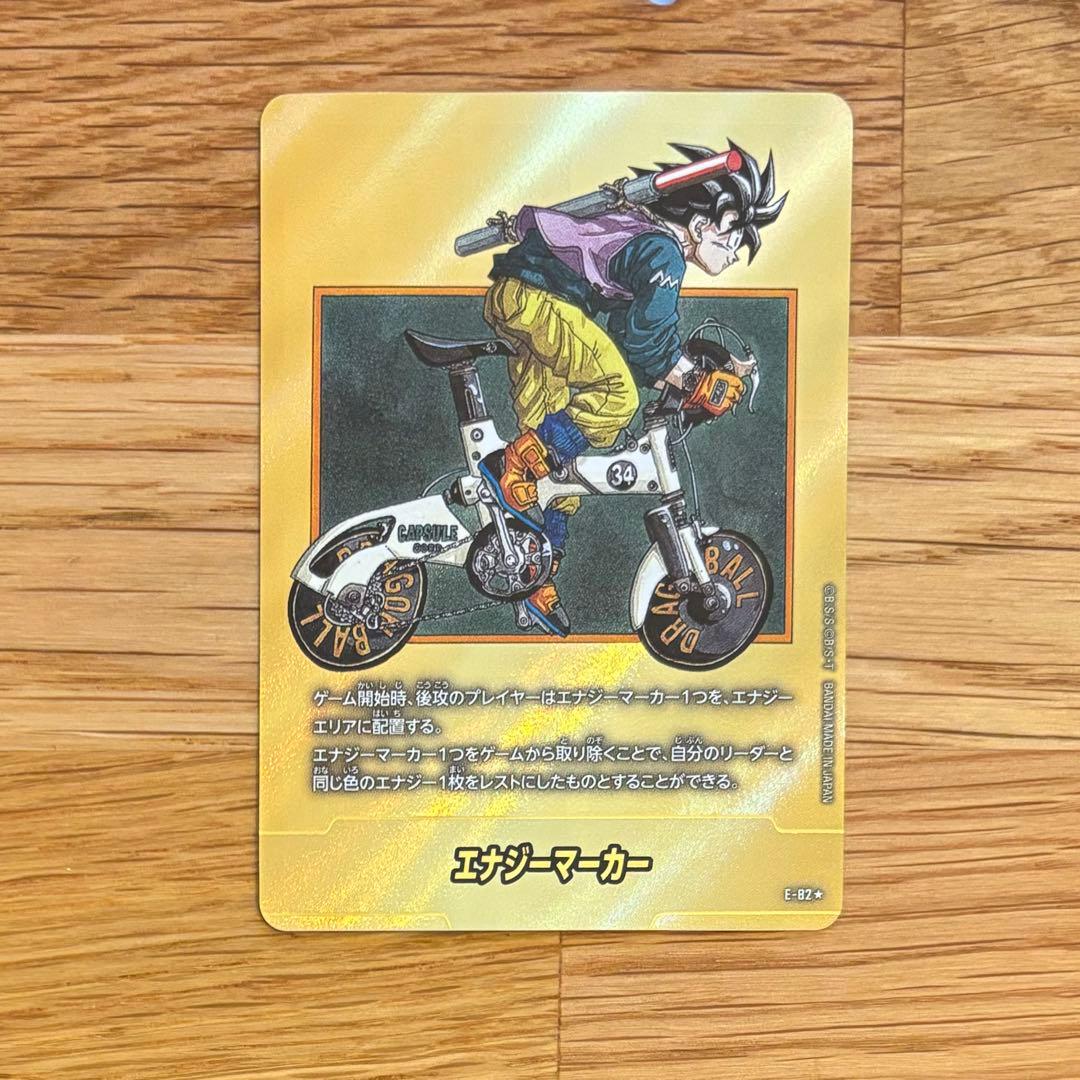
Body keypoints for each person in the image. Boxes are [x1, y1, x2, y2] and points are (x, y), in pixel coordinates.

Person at [480, 142, 787, 636]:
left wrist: (689, 371)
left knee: (560, 475)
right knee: (615, 397)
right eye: (732, 237)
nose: (734, 253)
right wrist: (696, 381)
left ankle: (533, 579)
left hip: (526, 303)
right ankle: (507, 465)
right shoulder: (664, 252)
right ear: (702, 224)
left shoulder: (642, 235)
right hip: (540, 302)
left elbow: (631, 338)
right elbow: (647, 342)